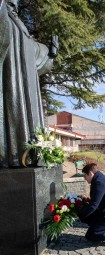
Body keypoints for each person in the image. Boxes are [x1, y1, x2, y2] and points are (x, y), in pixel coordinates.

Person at [0, 0, 58, 168]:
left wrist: (50, 55)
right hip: (9, 85)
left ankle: (33, 155)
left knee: (29, 124)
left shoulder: (20, 27)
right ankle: (11, 158)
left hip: (27, 93)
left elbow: (36, 57)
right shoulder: (6, 20)